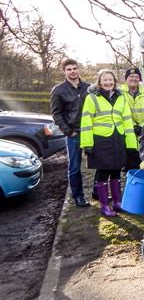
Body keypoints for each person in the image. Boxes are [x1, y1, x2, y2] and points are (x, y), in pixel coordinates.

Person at [80, 69, 137, 217]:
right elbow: (86, 121)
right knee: (103, 171)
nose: (108, 83)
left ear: (115, 82)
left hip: (118, 139)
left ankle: (117, 203)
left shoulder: (120, 97)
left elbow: (127, 121)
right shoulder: (92, 98)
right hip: (101, 140)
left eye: (110, 80)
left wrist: (131, 144)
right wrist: (87, 144)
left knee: (116, 170)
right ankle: (105, 206)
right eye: (105, 80)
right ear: (99, 82)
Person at [50, 59, 91, 207]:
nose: (72, 71)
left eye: (74, 68)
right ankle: (78, 196)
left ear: (78, 69)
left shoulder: (89, 88)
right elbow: (56, 114)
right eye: (69, 69)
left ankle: (98, 192)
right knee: (74, 167)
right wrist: (68, 131)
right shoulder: (59, 90)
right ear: (64, 71)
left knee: (97, 163)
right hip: (74, 134)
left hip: (90, 132)